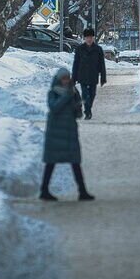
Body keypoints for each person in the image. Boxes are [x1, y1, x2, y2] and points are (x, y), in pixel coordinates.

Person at [39, 68, 94, 202]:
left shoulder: (73, 92)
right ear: (58, 79)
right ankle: (44, 191)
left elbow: (77, 114)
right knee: (51, 162)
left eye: (67, 78)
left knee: (75, 162)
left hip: (69, 131)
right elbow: (54, 108)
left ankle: (83, 192)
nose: (66, 80)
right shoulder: (53, 93)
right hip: (55, 131)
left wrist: (79, 106)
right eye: (63, 78)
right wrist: (67, 96)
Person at [71, 28, 106, 120]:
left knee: (92, 94)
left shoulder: (98, 49)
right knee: (85, 94)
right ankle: (87, 111)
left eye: (91, 37)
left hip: (93, 75)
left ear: (93, 38)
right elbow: (76, 64)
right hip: (82, 75)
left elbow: (101, 64)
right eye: (87, 37)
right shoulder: (80, 49)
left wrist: (103, 77)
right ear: (84, 38)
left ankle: (88, 108)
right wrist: (73, 78)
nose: (89, 39)